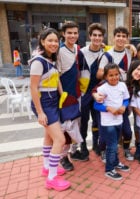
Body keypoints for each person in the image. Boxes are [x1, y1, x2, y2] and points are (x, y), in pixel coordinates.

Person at [30, 28, 70, 191]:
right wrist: (40, 112)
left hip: (53, 100)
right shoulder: (38, 61)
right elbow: (33, 88)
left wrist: (62, 94)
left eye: (56, 41)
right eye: (50, 41)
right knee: (59, 140)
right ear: (42, 41)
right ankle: (51, 178)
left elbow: (56, 79)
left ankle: (46, 167)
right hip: (44, 102)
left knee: (49, 136)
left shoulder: (51, 59)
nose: (54, 44)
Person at [97, 26, 134, 161]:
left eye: (124, 36)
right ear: (113, 38)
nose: (121, 38)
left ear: (127, 39)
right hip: (108, 97)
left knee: (126, 129)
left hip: (122, 94)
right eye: (118, 36)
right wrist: (114, 71)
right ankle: (103, 151)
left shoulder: (130, 53)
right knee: (106, 129)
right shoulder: (107, 55)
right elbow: (99, 73)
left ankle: (125, 149)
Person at [93, 63, 130, 181]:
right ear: (105, 77)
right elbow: (96, 105)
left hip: (119, 120)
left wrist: (124, 107)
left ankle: (116, 162)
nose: (114, 77)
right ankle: (109, 169)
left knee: (115, 144)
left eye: (116, 75)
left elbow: (126, 99)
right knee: (112, 145)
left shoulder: (122, 86)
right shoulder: (102, 88)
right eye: (110, 75)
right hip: (107, 122)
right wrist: (108, 108)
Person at [76, 23, 106, 158]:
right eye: (94, 35)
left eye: (100, 35)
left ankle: (96, 144)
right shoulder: (81, 52)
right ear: (90, 36)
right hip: (84, 92)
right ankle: (83, 146)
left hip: (98, 91)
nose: (97, 38)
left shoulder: (105, 53)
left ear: (103, 37)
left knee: (97, 120)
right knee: (83, 121)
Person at [56, 21, 83, 171]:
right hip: (65, 96)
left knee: (76, 125)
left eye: (75, 33)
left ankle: (74, 151)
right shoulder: (59, 51)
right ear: (63, 34)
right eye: (69, 33)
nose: (72, 35)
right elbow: (56, 75)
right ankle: (63, 157)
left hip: (77, 94)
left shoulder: (77, 49)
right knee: (65, 128)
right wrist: (62, 95)